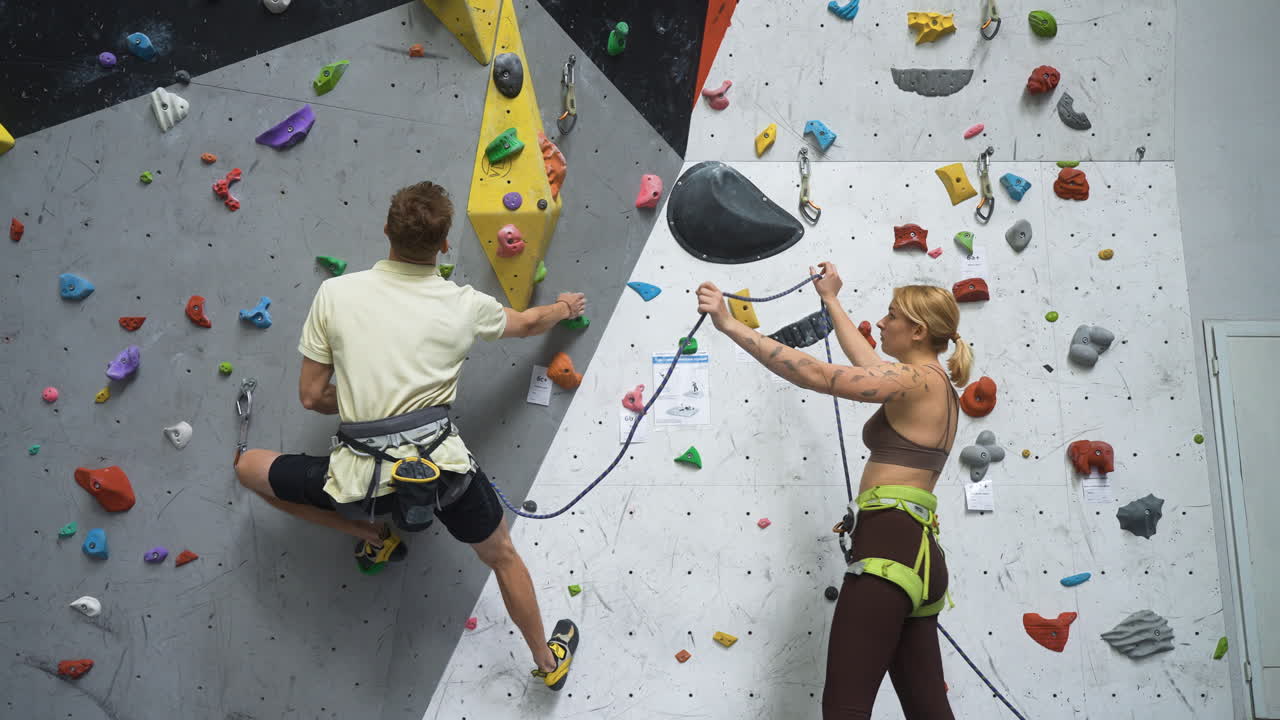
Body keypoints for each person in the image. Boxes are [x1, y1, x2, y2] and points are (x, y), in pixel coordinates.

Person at [234, 181, 584, 690]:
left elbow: (310, 396)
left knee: (248, 470)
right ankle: (548, 665)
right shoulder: (465, 304)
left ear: (385, 232)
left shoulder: (336, 293)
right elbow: (529, 323)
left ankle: (370, 535)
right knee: (501, 554)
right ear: (445, 246)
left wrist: (363, 398)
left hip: (356, 477)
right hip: (442, 471)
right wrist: (565, 308)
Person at [696, 262, 971, 719]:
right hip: (920, 556)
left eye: (891, 316)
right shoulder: (931, 384)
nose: (881, 322)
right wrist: (831, 300)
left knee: (845, 708)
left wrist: (729, 325)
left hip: (889, 550)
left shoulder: (915, 381)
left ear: (918, 330)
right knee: (929, 710)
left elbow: (820, 376)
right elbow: (870, 363)